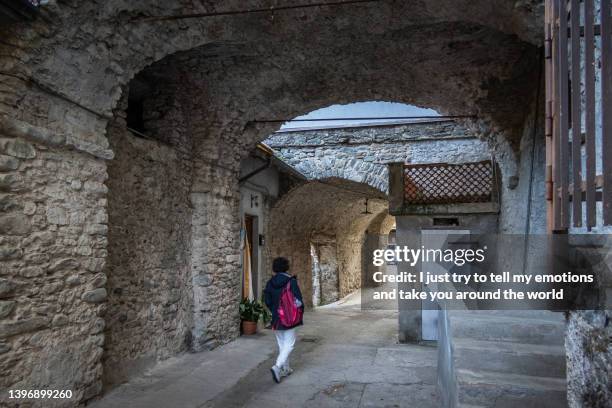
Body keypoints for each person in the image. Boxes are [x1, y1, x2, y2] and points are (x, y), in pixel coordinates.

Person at [264, 257, 304, 383]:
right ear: (286, 267)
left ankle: (286, 369)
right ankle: (277, 366)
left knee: (282, 345)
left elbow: (267, 301)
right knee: (290, 344)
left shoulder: (270, 282)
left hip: (276, 318)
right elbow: (298, 301)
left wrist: (275, 311)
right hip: (289, 318)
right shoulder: (291, 281)